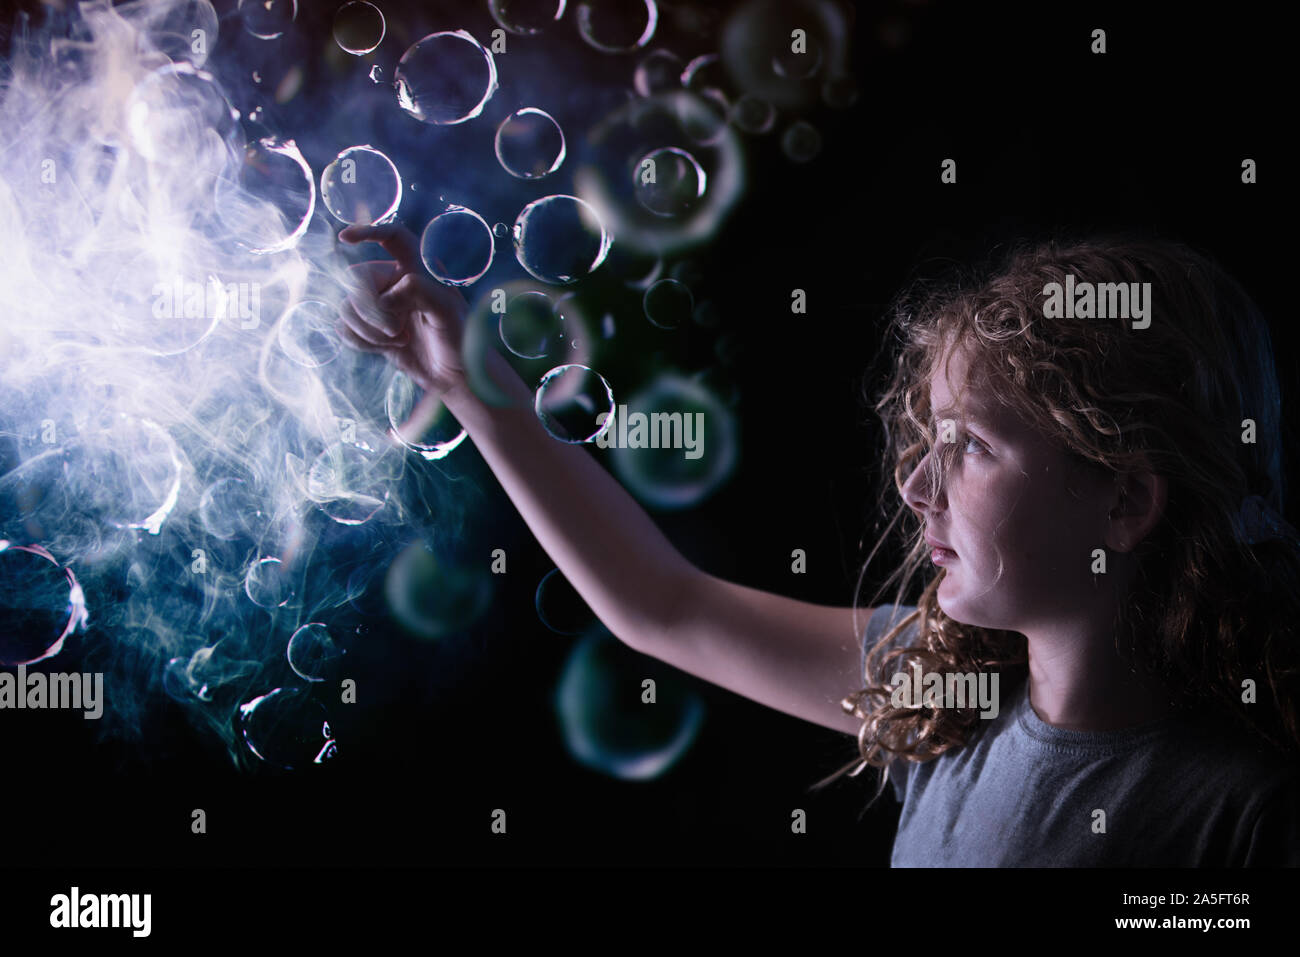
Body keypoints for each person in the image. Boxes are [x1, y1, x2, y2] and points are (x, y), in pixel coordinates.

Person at [336, 225, 1300, 866]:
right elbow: (663, 604)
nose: (915, 486)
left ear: (1126, 500)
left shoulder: (1243, 809)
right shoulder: (946, 696)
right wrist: (469, 382)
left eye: (971, 447)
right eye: (929, 439)